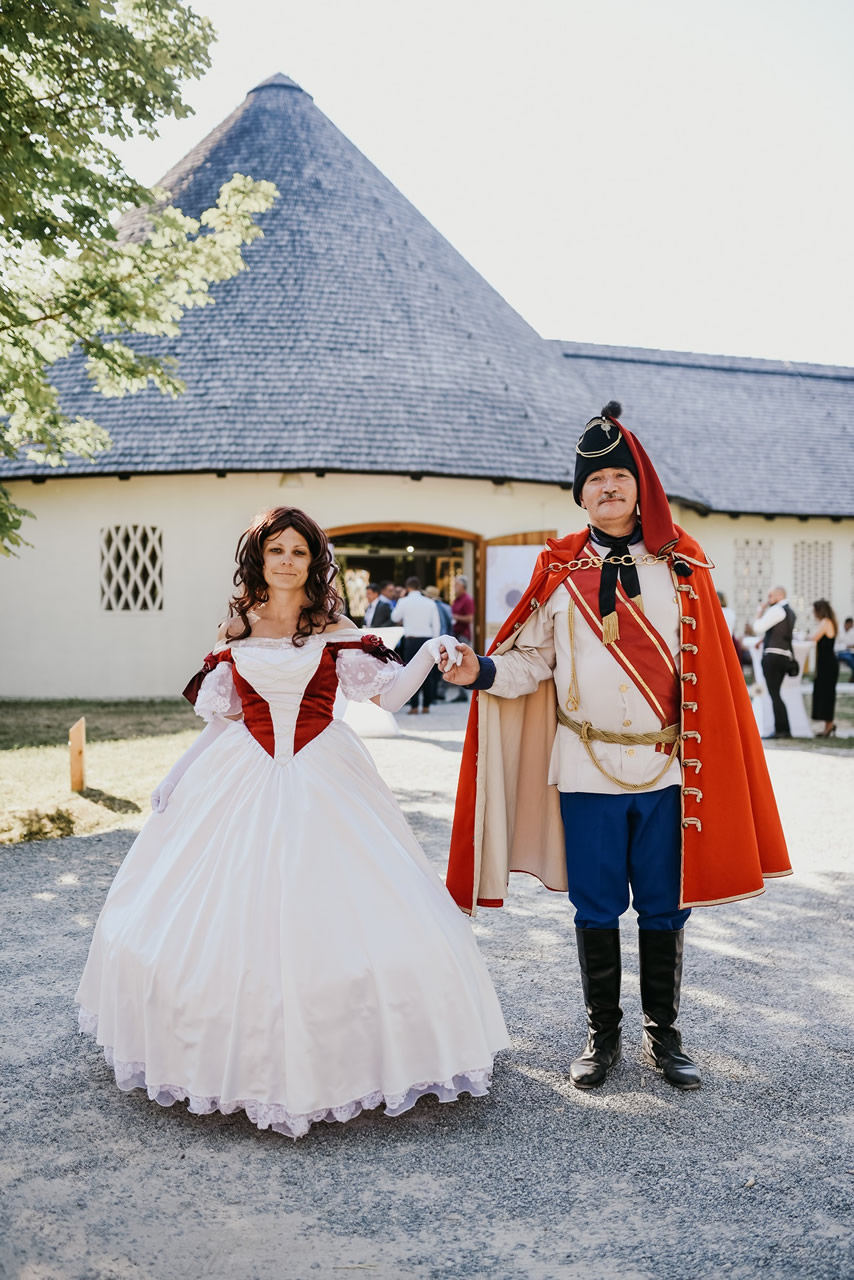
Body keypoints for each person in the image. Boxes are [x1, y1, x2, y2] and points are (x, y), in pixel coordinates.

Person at [75, 507, 508, 1139]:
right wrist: (176, 773)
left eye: (298, 551)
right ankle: (226, 1059)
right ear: (259, 558)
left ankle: (355, 1060)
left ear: (313, 561)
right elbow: (224, 718)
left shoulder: (334, 626)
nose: (286, 561)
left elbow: (387, 697)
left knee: (350, 908)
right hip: (241, 768)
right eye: (275, 549)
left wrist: (427, 653)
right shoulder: (237, 626)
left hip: (324, 770)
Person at [440, 402, 791, 1093]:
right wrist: (478, 671)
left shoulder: (683, 564)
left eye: (619, 477)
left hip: (667, 768)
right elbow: (533, 663)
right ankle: (602, 1036)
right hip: (586, 767)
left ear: (640, 486)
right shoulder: (559, 568)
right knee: (596, 907)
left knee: (665, 905)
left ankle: (664, 1035)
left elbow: (711, 672)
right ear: (581, 495)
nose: (607, 488)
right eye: (594, 480)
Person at [391, 577, 441, 714]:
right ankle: (426, 706)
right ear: (420, 587)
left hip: (411, 640)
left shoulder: (404, 601)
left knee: (411, 673)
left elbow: (394, 617)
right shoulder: (430, 603)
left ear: (407, 588)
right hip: (427, 639)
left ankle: (414, 706)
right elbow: (436, 625)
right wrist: (436, 641)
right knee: (428, 673)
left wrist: (401, 598)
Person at [753, 586, 797, 738]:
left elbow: (758, 627)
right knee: (776, 693)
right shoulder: (790, 612)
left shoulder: (777, 610)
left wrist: (759, 611)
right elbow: (780, 631)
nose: (768, 598)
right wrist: (763, 639)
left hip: (773, 656)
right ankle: (784, 729)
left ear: (779, 595)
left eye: (770, 595)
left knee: (774, 694)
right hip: (784, 656)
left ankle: (781, 730)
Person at [809, 600, 839, 736]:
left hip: (828, 665)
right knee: (826, 694)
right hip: (825, 664)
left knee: (827, 695)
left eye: (814, 611)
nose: (813, 613)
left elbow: (814, 637)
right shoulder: (827, 621)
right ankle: (828, 725)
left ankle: (829, 726)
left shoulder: (826, 622)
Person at [425, 587, 454, 700]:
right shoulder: (446, 607)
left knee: (431, 669)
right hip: (445, 640)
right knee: (439, 668)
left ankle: (432, 695)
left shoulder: (431, 606)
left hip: (434, 639)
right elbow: (450, 624)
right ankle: (436, 694)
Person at [450, 576, 475, 704]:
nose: (455, 587)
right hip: (455, 634)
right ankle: (461, 692)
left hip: (463, 635)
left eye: (457, 585)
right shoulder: (456, 600)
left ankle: (464, 692)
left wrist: (455, 617)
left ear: (463, 586)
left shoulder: (467, 600)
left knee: (462, 663)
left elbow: (470, 618)